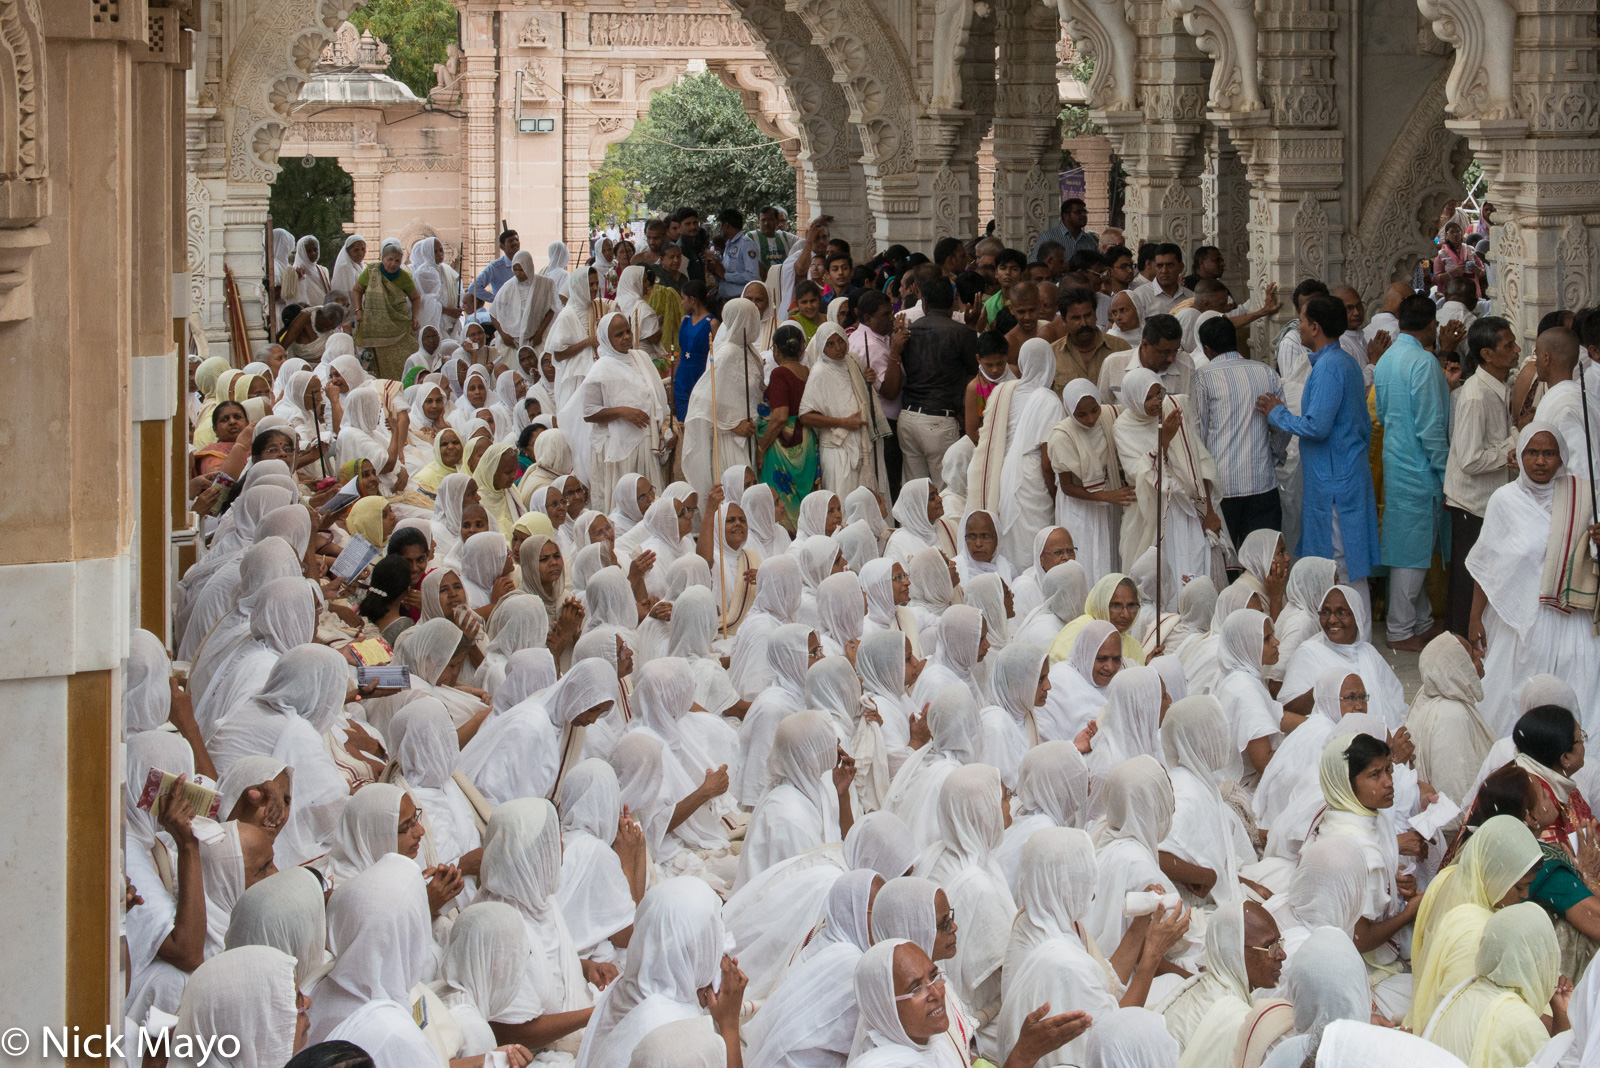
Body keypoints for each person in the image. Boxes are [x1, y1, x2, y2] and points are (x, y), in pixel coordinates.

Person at [1467, 424, 1600, 738]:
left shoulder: (1582, 498)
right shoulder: (1504, 501)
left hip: (1571, 619)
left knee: (1574, 691)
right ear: (1520, 456)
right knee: (1514, 695)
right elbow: (1487, 565)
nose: (1540, 461)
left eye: (1549, 453)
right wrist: (1474, 617)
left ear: (1561, 457)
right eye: (1532, 452)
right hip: (1519, 623)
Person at [1258, 293, 1380, 613]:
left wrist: (1278, 413)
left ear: (1314, 327)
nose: (1297, 326)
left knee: (1341, 565)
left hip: (1336, 481)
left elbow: (1317, 426)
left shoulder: (1329, 367)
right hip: (1343, 472)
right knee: (1340, 563)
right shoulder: (1342, 362)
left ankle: (1355, 639)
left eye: (1300, 320)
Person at [1374, 294, 1453, 650]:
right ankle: (1401, 630)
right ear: (1431, 325)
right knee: (1413, 552)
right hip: (1419, 467)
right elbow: (1431, 427)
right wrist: (1448, 471)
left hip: (1398, 461)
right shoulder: (1423, 362)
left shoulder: (1388, 357)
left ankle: (1419, 622)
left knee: (1413, 548)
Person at [1444, 315, 1520, 636]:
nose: (1516, 350)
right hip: (1471, 505)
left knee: (1479, 578)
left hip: (1485, 503)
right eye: (1508, 345)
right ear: (1487, 354)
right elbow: (1471, 458)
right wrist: (1513, 448)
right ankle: (1458, 648)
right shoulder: (1475, 396)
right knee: (1466, 583)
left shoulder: (1500, 386)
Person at [1114, 369, 1225, 587]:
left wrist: (1209, 511)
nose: (1156, 402)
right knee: (1156, 573)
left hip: (1184, 510)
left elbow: (1197, 463)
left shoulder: (1171, 411)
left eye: (1158, 394)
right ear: (1134, 399)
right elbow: (1138, 473)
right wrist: (1164, 439)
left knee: (1191, 562)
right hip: (1149, 514)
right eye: (1148, 398)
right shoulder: (1123, 428)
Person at [1423, 903, 1566, 1066]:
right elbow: (1554, 1063)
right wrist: (1564, 1017)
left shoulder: (1466, 991)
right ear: (1538, 960)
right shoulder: (1520, 1021)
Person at [1191, 317, 1288, 547]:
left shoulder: (1203, 378)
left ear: (1206, 349)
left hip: (1222, 489)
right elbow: (1282, 426)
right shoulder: (1266, 373)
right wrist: (1272, 456)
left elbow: (1199, 438)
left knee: (1227, 567)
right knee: (1263, 560)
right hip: (1263, 483)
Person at [899, 274, 978, 491]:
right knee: (945, 492)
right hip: (939, 420)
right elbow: (975, 372)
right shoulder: (961, 333)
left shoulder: (908, 331)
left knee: (915, 492)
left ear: (923, 302)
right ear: (953, 301)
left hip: (908, 417)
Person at [759, 322, 820, 527]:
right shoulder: (807, 372)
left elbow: (780, 416)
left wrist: (761, 447)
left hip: (784, 446)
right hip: (807, 442)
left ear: (775, 349)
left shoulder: (780, 374)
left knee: (782, 496)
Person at [351, 237, 421, 380]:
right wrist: (358, 310)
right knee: (379, 367)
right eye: (389, 259)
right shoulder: (371, 272)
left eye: (397, 260)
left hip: (398, 325)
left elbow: (416, 297)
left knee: (407, 357)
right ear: (382, 258)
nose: (393, 264)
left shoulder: (405, 277)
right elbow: (357, 290)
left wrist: (414, 317)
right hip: (374, 329)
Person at [1052, 286, 1131, 392]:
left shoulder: (1120, 348)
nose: (1084, 323)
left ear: (1095, 315)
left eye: (1088, 315)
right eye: (1076, 318)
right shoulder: (1052, 354)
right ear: (1064, 320)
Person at [1031, 197, 1099, 261]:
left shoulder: (1089, 241)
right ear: (1066, 215)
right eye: (1078, 212)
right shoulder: (1048, 237)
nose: (1083, 215)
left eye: (1085, 212)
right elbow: (1035, 265)